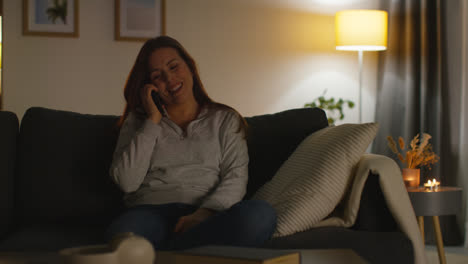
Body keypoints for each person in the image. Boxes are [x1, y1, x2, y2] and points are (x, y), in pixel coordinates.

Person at [106, 36, 277, 250]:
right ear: (150, 86)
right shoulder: (139, 122)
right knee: (123, 236)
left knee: (261, 215)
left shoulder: (225, 119)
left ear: (190, 66)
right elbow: (126, 182)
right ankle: (190, 253)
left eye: (174, 67)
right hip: (149, 213)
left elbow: (236, 176)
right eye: (158, 76)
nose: (169, 79)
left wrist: (203, 214)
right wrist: (153, 120)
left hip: (207, 215)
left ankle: (167, 253)